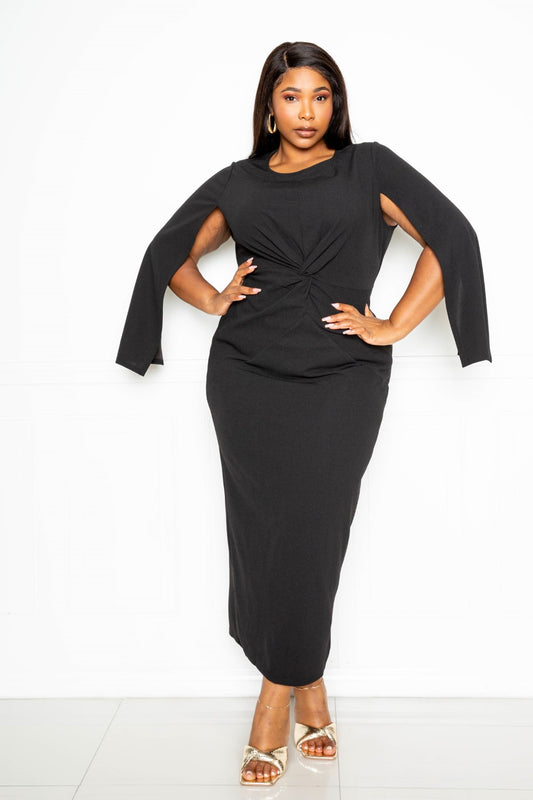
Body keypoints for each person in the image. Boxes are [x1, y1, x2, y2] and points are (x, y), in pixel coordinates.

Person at [115, 41, 492, 786]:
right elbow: (166, 254)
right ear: (268, 108)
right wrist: (213, 298)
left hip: (342, 378)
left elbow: (452, 236)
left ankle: (274, 694)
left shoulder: (369, 169)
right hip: (247, 377)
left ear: (336, 105)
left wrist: (391, 325)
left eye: (321, 96)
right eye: (291, 97)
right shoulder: (239, 182)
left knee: (314, 530)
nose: (307, 111)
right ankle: (305, 684)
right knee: (262, 531)